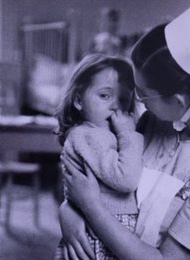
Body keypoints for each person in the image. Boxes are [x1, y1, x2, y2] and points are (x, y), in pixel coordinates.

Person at [58, 2, 190, 259]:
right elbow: (93, 173)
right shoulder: (155, 121)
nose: (135, 103)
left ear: (179, 101)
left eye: (143, 95)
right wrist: (69, 211)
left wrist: (91, 209)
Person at [54, 54, 143, 259]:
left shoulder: (102, 135)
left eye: (123, 99)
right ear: (78, 101)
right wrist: (128, 134)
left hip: (106, 226)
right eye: (104, 96)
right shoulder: (88, 135)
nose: (115, 106)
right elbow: (127, 179)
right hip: (100, 232)